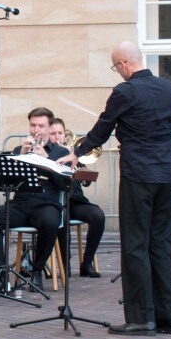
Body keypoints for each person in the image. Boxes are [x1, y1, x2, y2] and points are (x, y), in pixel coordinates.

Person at [60, 41, 171, 336]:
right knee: (162, 243)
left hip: (138, 174)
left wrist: (77, 152)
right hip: (165, 174)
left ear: (124, 64)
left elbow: (103, 127)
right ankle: (168, 317)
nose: (118, 72)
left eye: (116, 67)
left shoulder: (125, 91)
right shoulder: (167, 88)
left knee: (136, 244)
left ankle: (141, 317)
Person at [0, 107, 69, 291]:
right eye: (33, 125)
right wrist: (20, 155)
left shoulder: (61, 153)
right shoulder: (19, 149)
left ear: (49, 127)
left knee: (51, 222)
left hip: (46, 205)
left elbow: (65, 184)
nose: (36, 130)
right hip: (20, 205)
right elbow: (5, 181)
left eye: (41, 126)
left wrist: (46, 159)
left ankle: (36, 270)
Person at [47, 117, 106, 278]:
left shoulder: (73, 154)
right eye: (52, 133)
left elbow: (86, 181)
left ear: (65, 134)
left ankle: (87, 263)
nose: (57, 137)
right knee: (62, 218)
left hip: (75, 201)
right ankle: (64, 265)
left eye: (60, 133)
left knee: (98, 216)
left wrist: (80, 167)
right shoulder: (45, 154)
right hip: (56, 202)